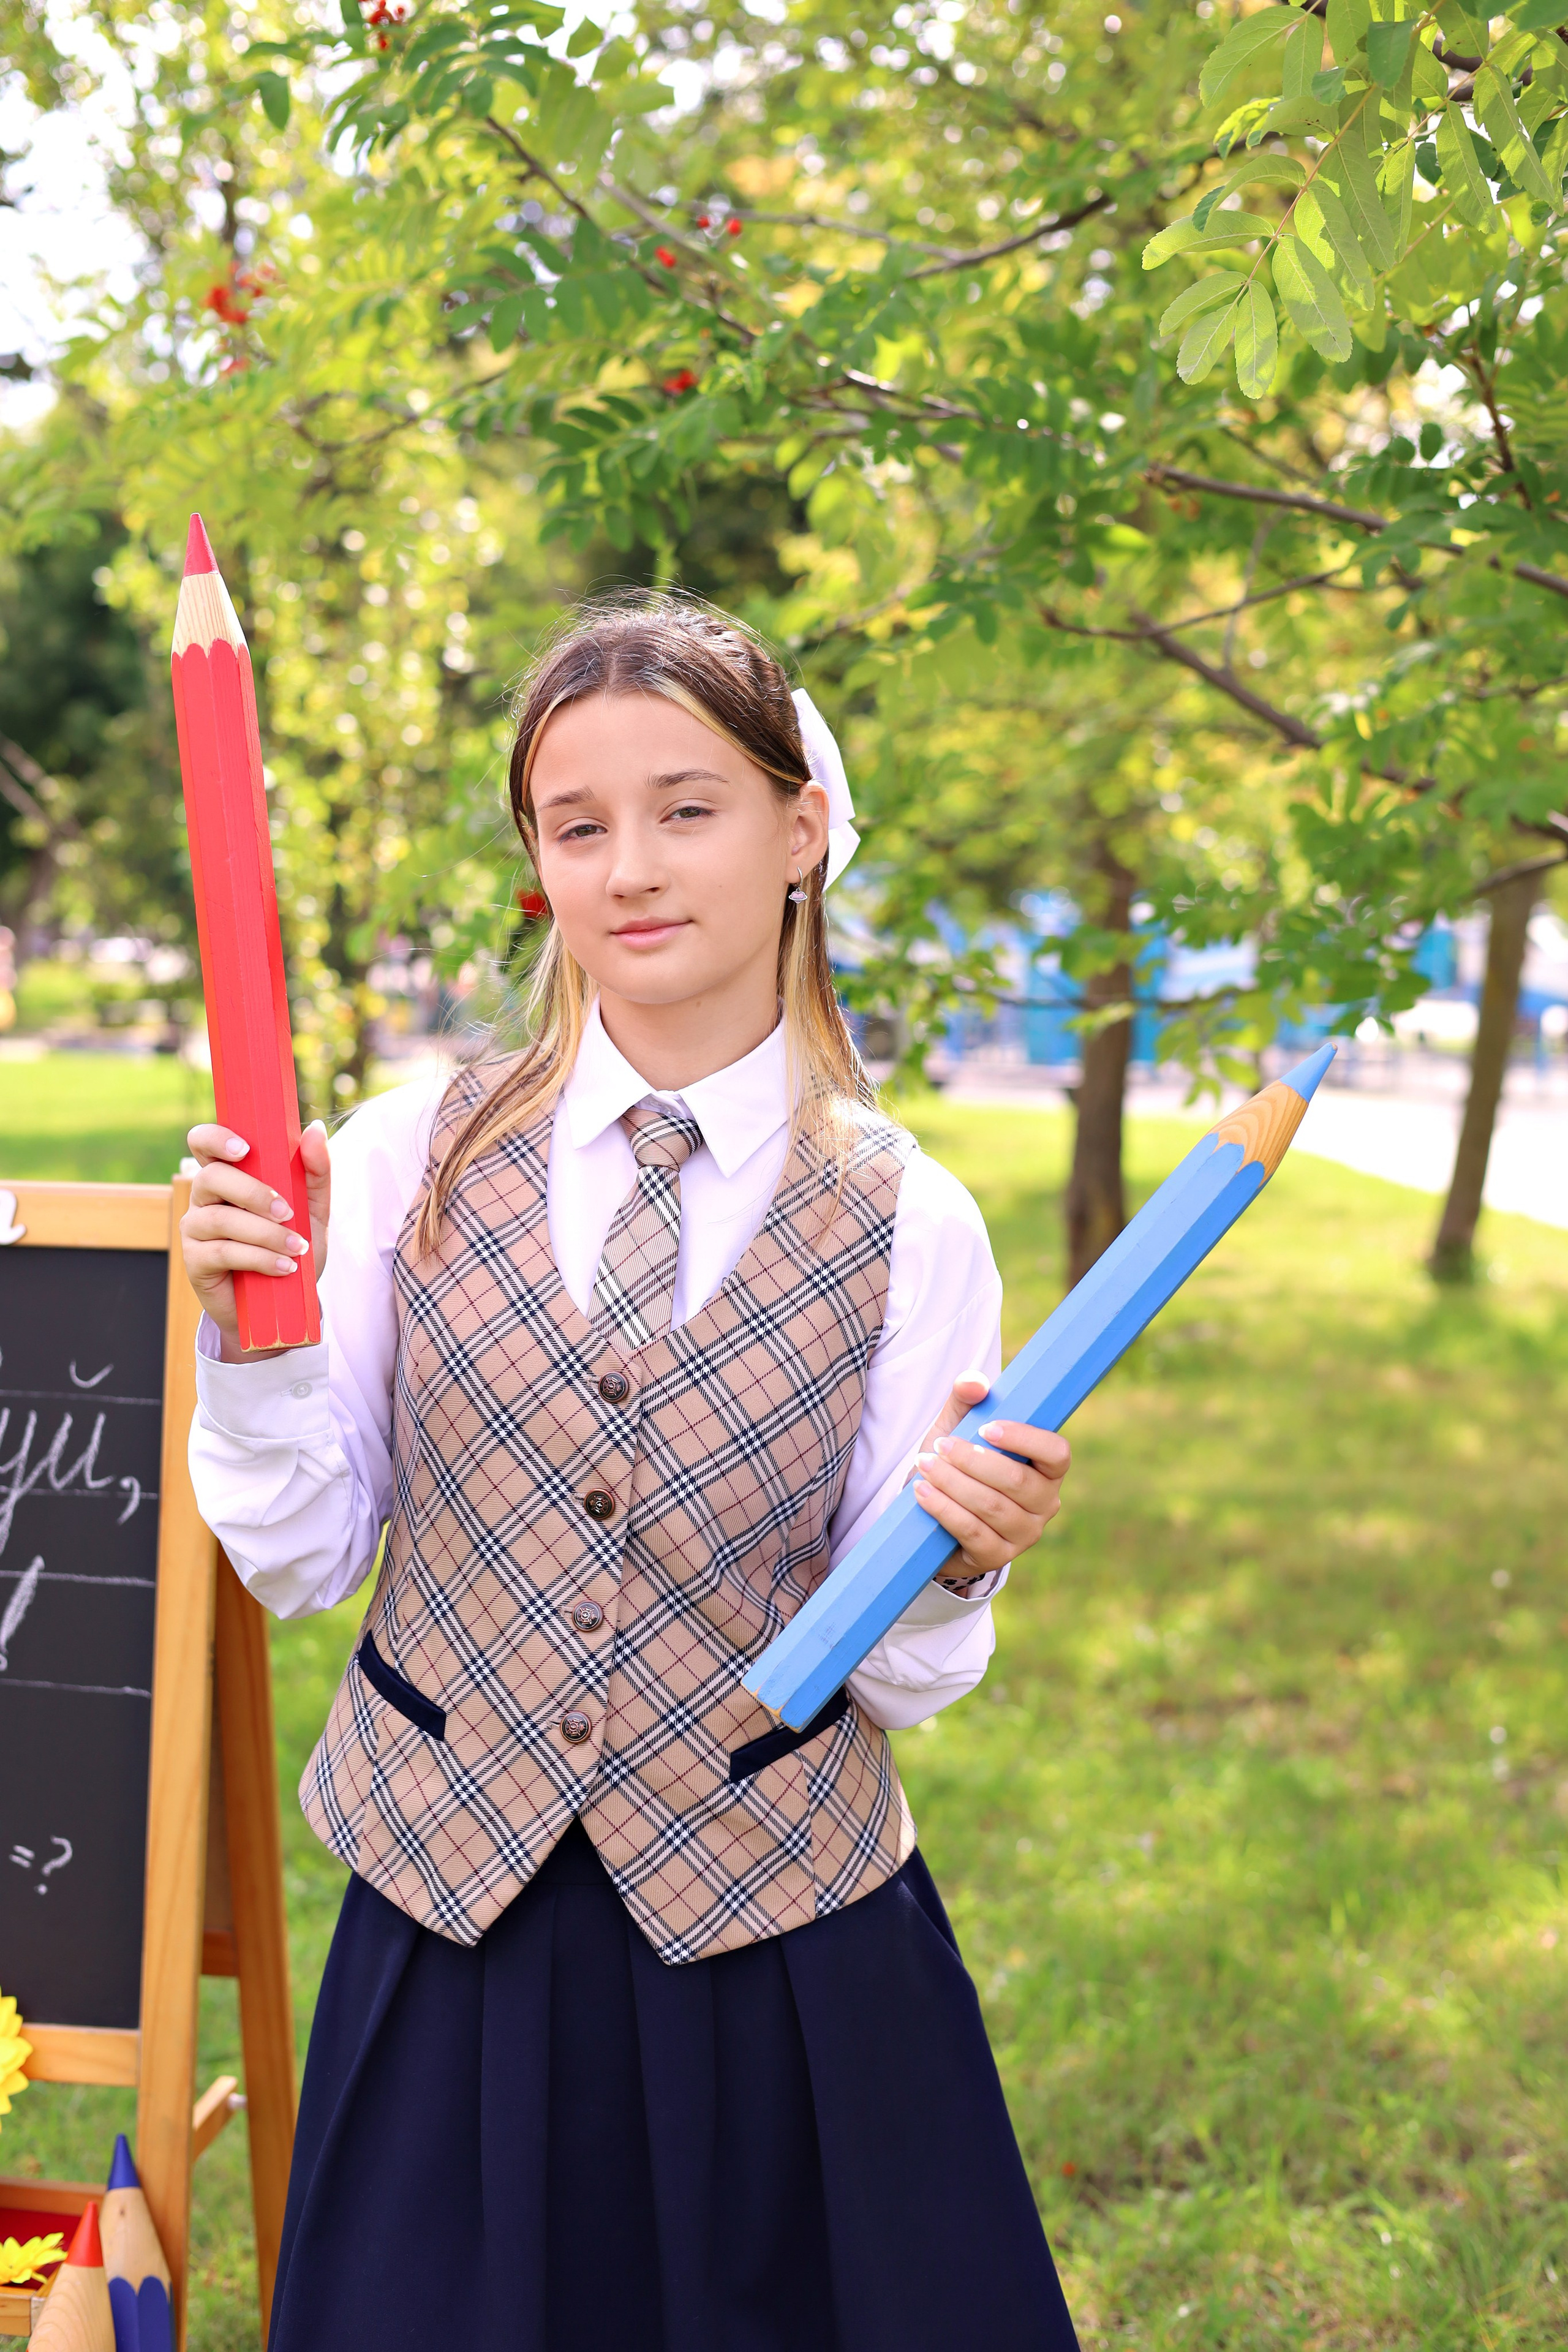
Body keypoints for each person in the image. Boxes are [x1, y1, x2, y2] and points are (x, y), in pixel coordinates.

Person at [181, 594, 1079, 2352]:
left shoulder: (910, 1221)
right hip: (452, 1924)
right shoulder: (398, 1160)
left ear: (800, 827)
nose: (632, 869)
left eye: (689, 807)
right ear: (537, 861)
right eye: (577, 826)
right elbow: (305, 1556)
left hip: (778, 1956)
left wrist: (958, 1563)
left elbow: (886, 1672)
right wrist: (244, 1344)